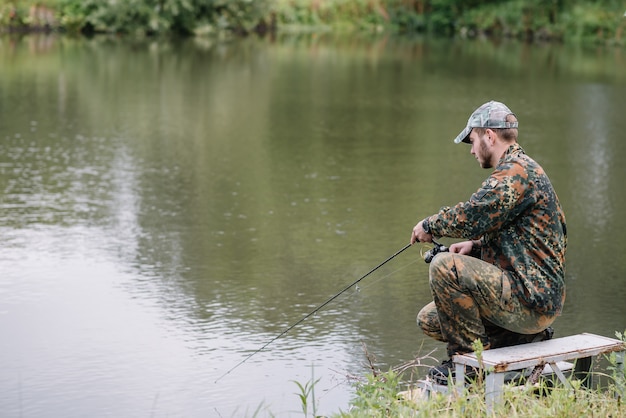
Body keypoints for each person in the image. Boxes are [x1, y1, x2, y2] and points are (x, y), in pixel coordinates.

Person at [410, 100, 567, 384]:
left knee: (446, 267)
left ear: (489, 136)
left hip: (532, 301)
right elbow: (516, 237)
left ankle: (468, 367)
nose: (471, 150)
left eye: (472, 141)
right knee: (431, 318)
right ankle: (521, 340)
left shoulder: (515, 172)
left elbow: (472, 214)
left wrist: (429, 225)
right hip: (528, 299)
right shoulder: (518, 171)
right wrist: (477, 247)